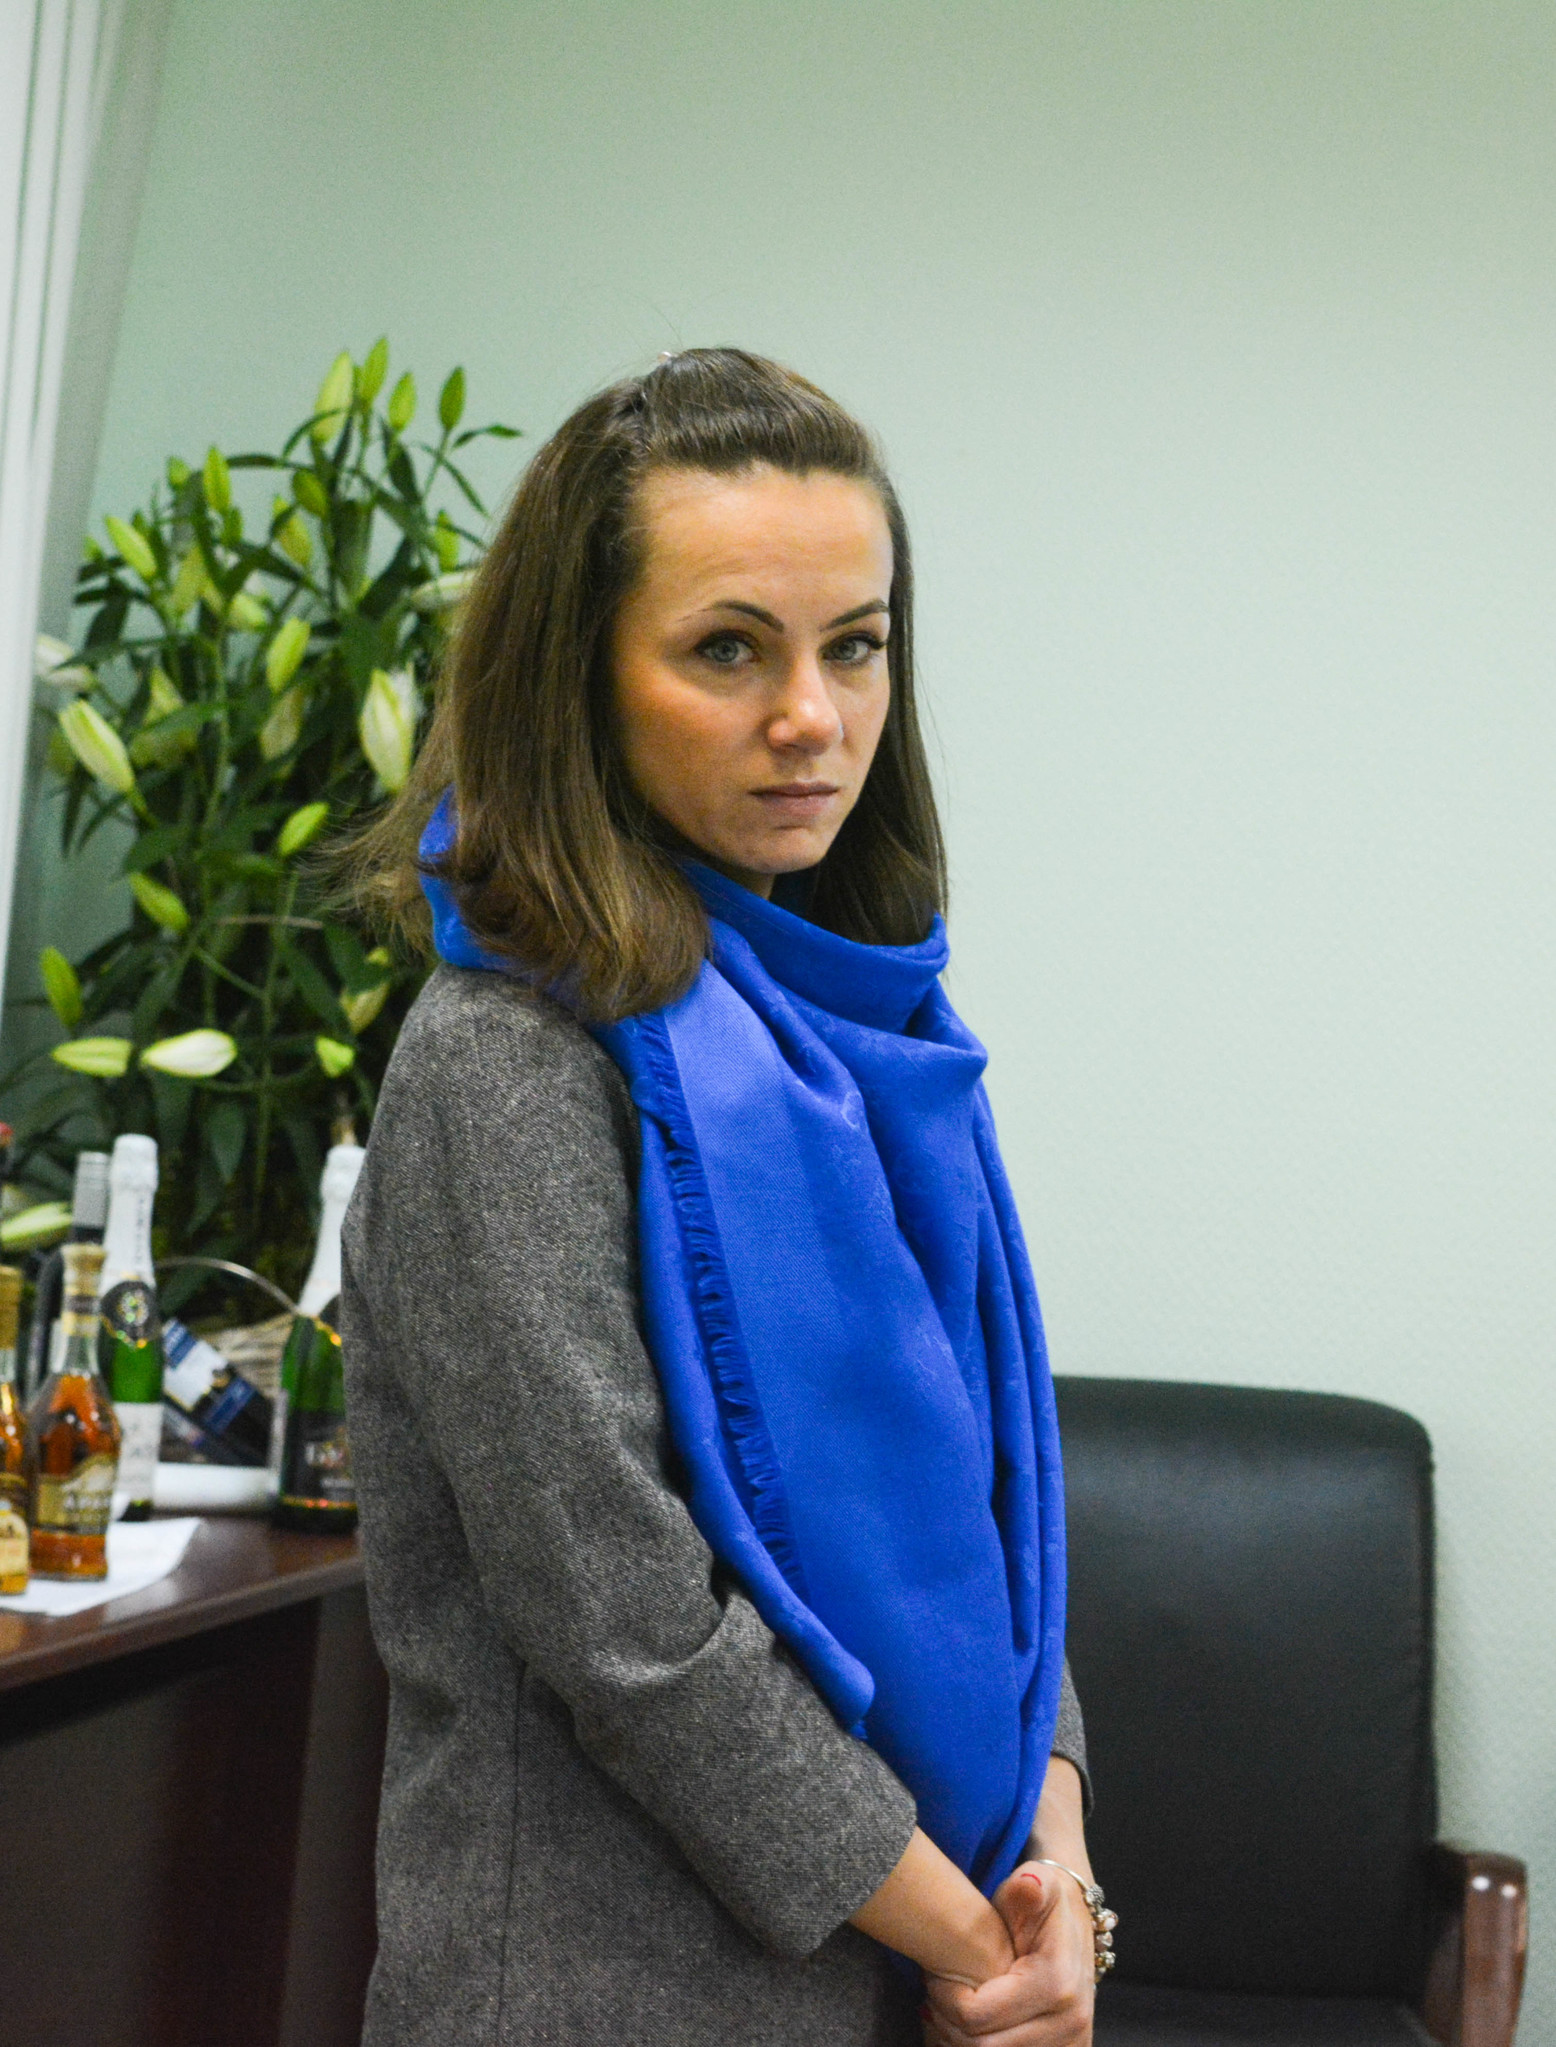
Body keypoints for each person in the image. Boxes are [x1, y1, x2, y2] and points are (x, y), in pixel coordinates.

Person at [341, 348, 1104, 2047]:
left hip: (922, 1965)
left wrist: (1061, 1886)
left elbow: (996, 1516)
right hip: (613, 1999)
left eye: (857, 646)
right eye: (727, 649)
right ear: (578, 677)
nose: (812, 716)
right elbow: (628, 1626)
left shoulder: (876, 1035)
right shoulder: (505, 1060)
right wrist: (976, 1943)